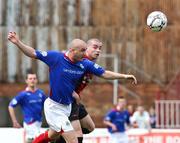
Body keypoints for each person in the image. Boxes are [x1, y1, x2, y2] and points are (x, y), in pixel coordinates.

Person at [8, 31, 137, 143]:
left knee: (52, 135)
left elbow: (104, 73)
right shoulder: (56, 58)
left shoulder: (85, 64)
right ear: (72, 50)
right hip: (54, 107)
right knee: (73, 139)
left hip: (67, 106)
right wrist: (18, 42)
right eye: (82, 50)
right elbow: (33, 53)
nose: (85, 53)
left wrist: (125, 76)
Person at [55, 39, 103, 143]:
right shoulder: (78, 60)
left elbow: (104, 73)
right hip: (68, 100)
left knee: (90, 127)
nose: (98, 50)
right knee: (77, 135)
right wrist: (72, 92)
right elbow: (60, 76)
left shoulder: (89, 64)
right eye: (95, 47)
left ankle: (58, 136)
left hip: (76, 101)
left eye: (100, 48)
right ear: (86, 48)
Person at [8, 72, 47, 143]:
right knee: (39, 140)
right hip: (29, 124)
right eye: (30, 78)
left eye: (34, 78)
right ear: (26, 81)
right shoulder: (23, 94)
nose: (32, 80)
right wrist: (14, 121)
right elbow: (11, 106)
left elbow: (48, 106)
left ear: (37, 80)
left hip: (38, 123)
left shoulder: (41, 93)